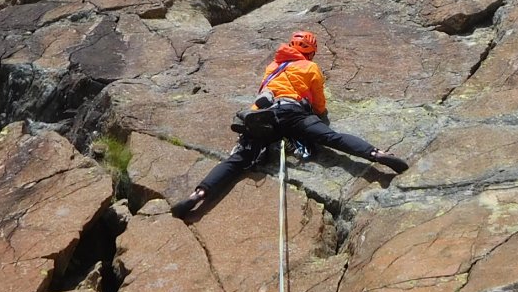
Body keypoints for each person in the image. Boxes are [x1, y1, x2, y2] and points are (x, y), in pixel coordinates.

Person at [172, 30, 407, 219]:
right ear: (311, 53)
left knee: (239, 158)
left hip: (265, 115)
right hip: (294, 112)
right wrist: (318, 113)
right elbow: (319, 102)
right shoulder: (310, 67)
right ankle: (377, 154)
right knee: (331, 137)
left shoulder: (274, 66)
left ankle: (197, 195)